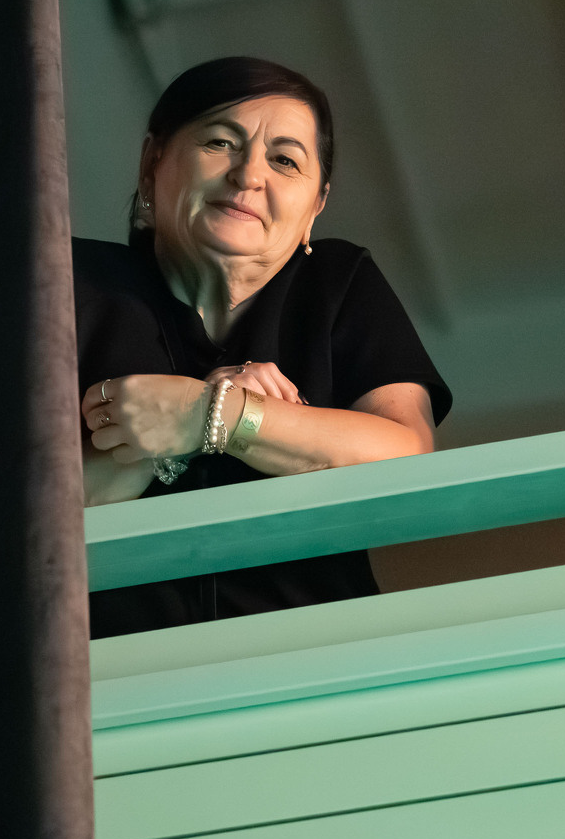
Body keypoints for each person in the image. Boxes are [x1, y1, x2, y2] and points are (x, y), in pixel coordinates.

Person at [75, 56, 452, 638]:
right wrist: (170, 442)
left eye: (285, 160)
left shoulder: (337, 283)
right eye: (221, 143)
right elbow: (34, 513)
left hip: (312, 657)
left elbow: (405, 459)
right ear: (153, 162)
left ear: (315, 206)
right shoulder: (68, 280)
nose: (249, 175)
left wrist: (216, 416)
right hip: (104, 663)